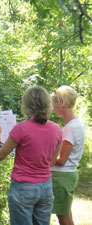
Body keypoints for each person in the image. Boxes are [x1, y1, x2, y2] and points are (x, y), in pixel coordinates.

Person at [0, 86, 62, 225]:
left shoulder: (21, 128)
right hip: (45, 188)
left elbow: (0, 155)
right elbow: (52, 161)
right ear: (48, 105)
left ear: (27, 105)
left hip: (23, 188)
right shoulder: (57, 129)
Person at [50, 86, 85, 225]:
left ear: (62, 102)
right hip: (66, 175)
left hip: (62, 177)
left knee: (63, 217)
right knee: (66, 214)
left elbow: (61, 160)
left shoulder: (71, 127)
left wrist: (42, 158)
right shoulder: (77, 122)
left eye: (54, 103)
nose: (53, 108)